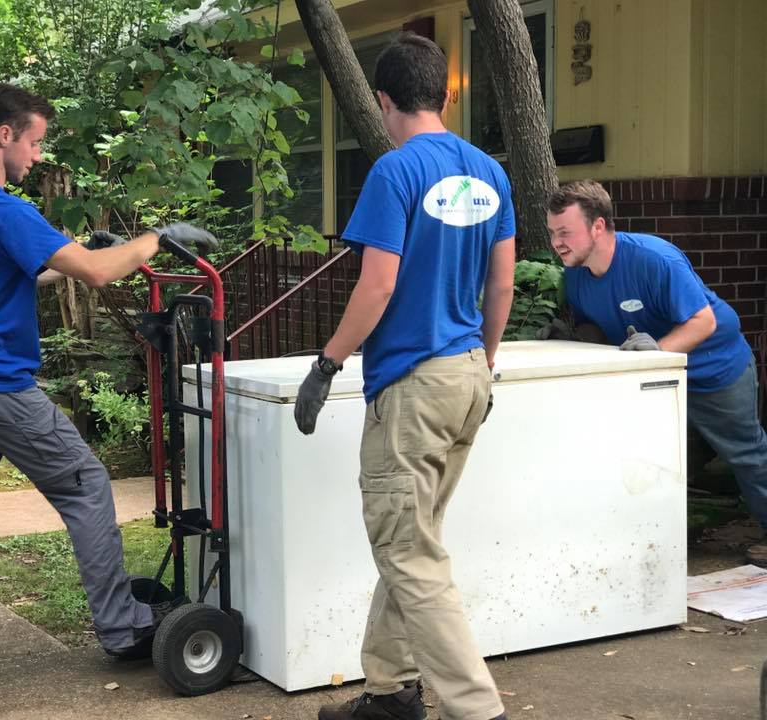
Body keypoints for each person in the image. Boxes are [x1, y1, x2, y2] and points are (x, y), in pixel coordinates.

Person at [0, 83, 216, 702]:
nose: (37, 155)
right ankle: (125, 628)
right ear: (5, 135)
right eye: (35, 141)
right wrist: (152, 240)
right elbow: (100, 275)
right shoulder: (4, 209)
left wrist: (81, 253)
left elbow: (12, 273)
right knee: (85, 484)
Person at [293, 33, 514, 720]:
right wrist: (484, 358)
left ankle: (478, 712)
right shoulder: (491, 172)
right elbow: (500, 283)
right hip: (468, 376)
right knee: (411, 540)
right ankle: (391, 693)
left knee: (410, 555)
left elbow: (378, 284)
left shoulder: (394, 173)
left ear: (385, 101)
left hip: (413, 386)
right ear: (446, 94)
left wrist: (327, 362)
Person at [541, 179, 767, 567]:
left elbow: (704, 322)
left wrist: (658, 350)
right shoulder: (575, 275)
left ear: (598, 226)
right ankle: (642, 546)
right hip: (655, 381)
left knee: (745, 455)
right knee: (651, 461)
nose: (556, 242)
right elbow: (597, 326)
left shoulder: (654, 258)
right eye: (552, 233)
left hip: (713, 371)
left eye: (565, 232)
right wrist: (575, 337)